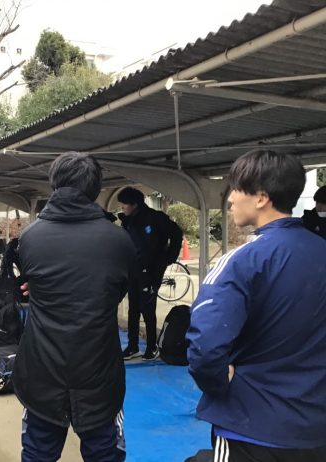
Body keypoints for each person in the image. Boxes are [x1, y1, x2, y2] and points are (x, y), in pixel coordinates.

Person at [186, 150, 326, 461]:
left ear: (261, 198)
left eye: (236, 189)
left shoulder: (242, 261)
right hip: (316, 427)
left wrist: (218, 381)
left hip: (252, 427)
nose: (231, 199)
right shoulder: (320, 250)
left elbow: (205, 347)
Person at [14, 152, 136, 462]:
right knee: (104, 453)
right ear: (95, 189)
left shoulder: (30, 237)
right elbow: (117, 292)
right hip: (98, 368)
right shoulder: (118, 240)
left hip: (42, 366)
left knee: (38, 453)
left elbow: (32, 283)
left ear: (54, 183)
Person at [117, 187, 182, 361]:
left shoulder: (155, 218)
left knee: (147, 307)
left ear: (135, 204)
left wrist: (169, 258)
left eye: (125, 204)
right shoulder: (128, 221)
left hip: (151, 270)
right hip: (134, 269)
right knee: (133, 308)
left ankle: (152, 347)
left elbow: (177, 233)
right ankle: (133, 346)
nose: (122, 208)